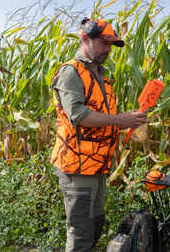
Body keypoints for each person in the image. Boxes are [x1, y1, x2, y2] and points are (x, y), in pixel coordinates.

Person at [50, 18, 148, 252]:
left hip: (98, 166)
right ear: (85, 39)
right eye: (103, 43)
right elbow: (79, 115)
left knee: (95, 225)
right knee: (81, 232)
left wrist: (130, 120)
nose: (108, 49)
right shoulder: (71, 72)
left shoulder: (103, 78)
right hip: (76, 165)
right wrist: (120, 120)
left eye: (111, 45)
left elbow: (104, 119)